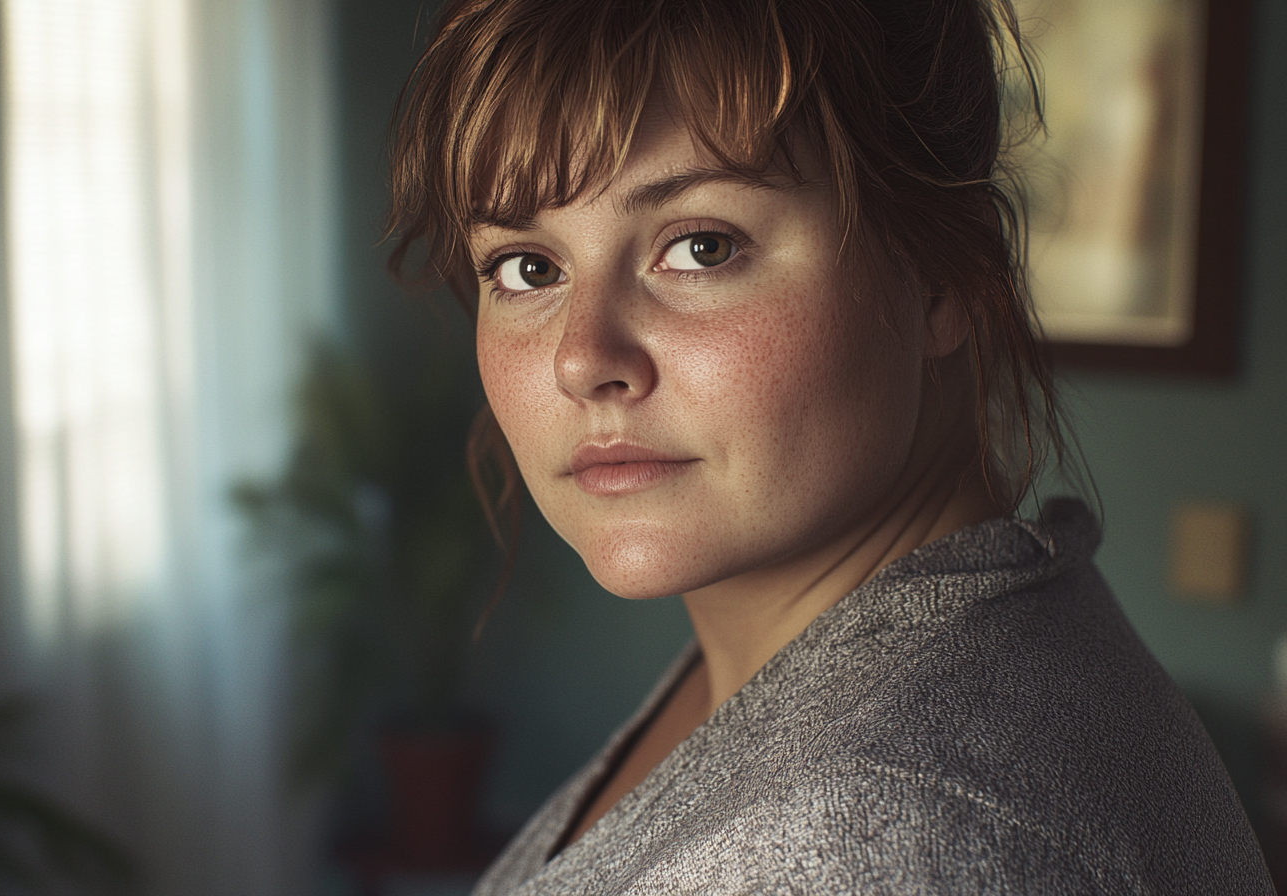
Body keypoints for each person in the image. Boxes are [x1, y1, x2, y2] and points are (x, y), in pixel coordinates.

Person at [384, 0, 1273, 892]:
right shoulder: (868, 674)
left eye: (701, 246)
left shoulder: (889, 837)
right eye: (528, 267)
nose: (582, 359)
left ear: (938, 277)